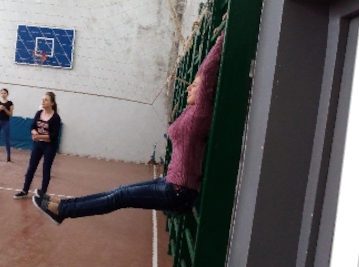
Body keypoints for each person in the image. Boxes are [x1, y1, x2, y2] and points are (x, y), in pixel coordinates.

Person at [33, 33, 224, 225]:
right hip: (172, 183)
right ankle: (63, 205)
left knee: (120, 196)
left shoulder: (201, 111)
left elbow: (207, 74)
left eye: (194, 86)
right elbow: (202, 73)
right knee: (119, 191)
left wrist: (221, 41)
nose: (189, 88)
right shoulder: (192, 111)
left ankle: (63, 211)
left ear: (205, 91)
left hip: (179, 192)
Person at [13, 92, 61, 200]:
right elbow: (32, 126)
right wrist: (34, 133)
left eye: (46, 100)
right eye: (42, 99)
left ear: (52, 103)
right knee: (31, 167)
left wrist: (39, 136)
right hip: (38, 144)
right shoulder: (39, 113)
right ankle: (24, 190)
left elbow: (53, 136)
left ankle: (42, 193)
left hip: (49, 146)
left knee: (46, 169)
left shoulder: (56, 118)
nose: (43, 101)